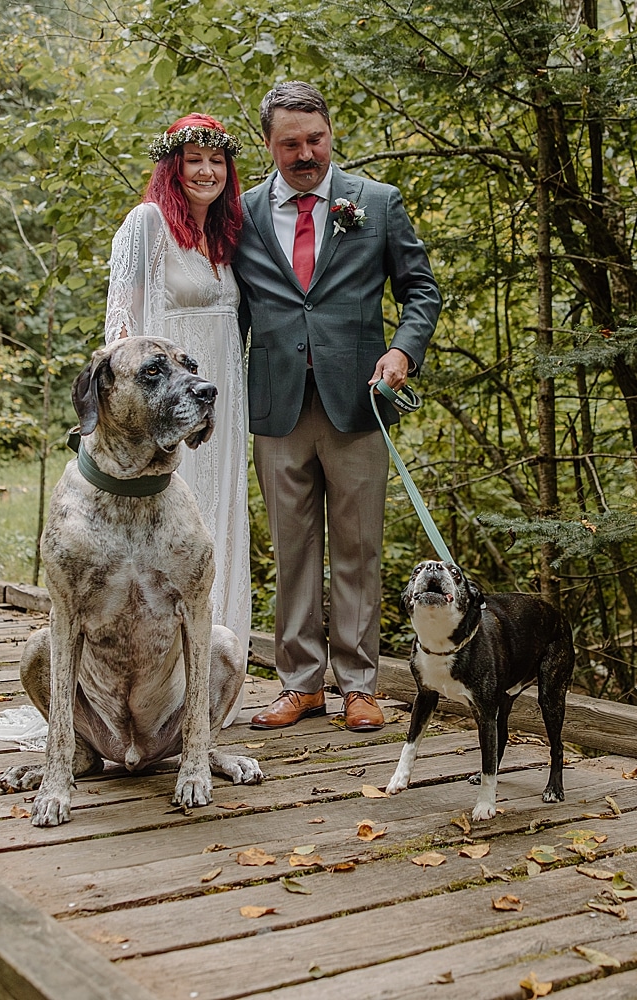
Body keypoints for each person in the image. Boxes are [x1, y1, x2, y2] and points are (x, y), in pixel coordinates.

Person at [234, 82, 441, 732]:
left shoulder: (376, 203)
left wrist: (403, 353)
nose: (305, 154)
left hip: (359, 403)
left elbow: (422, 291)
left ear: (331, 133)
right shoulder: (239, 215)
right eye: (290, 143)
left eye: (315, 140)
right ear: (268, 144)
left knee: (358, 548)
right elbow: (227, 310)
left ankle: (358, 684)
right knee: (291, 550)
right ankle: (299, 683)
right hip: (276, 406)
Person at [104, 113, 251, 661]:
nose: (207, 171)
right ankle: (153, 669)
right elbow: (121, 329)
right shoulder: (147, 223)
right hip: (167, 401)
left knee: (215, 517)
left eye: (217, 162)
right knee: (170, 519)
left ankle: (214, 663)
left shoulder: (222, 235)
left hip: (221, 399)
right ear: (174, 166)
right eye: (194, 161)